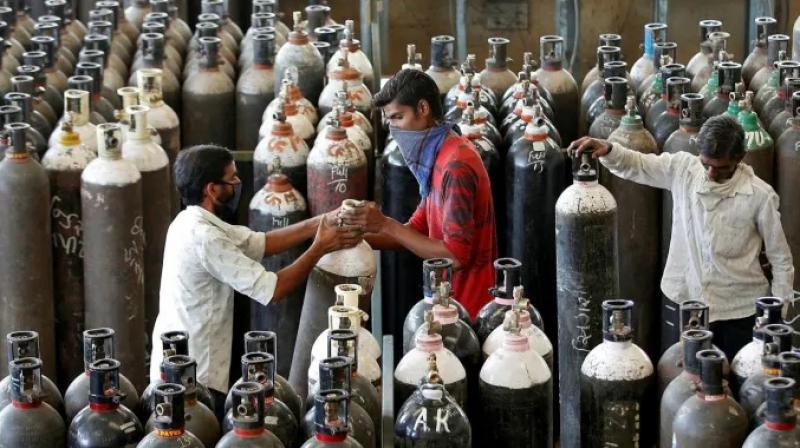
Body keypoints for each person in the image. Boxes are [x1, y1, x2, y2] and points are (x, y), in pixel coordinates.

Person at [149, 145, 364, 418]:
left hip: (183, 360)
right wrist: (319, 247)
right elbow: (273, 290)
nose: (238, 183)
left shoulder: (189, 221)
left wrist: (322, 221)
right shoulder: (205, 238)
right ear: (211, 189)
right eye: (232, 179)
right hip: (194, 373)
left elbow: (261, 243)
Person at [570, 115, 795, 359]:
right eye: (706, 164)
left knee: (738, 377)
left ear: (739, 159)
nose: (710, 173)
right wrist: (609, 149)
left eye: (721, 168)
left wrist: (776, 315)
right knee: (685, 375)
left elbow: (781, 259)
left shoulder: (759, 196)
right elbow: (639, 164)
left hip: (739, 311)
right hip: (687, 303)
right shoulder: (683, 170)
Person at [343, 69, 497, 318]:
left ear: (423, 108)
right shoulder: (437, 156)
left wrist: (385, 224)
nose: (393, 129)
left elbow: (454, 257)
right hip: (444, 300)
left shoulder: (456, 165)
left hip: (466, 309)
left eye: (398, 117)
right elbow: (415, 231)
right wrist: (352, 236)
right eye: (389, 121)